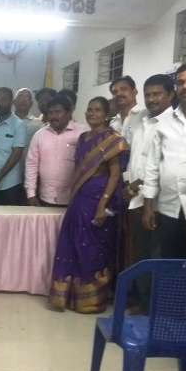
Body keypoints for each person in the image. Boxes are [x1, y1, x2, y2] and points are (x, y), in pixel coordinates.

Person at [48, 96, 129, 313]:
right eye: (89, 109)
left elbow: (115, 175)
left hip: (99, 199)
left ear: (107, 114)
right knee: (74, 244)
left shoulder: (113, 139)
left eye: (98, 110)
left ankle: (91, 299)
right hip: (80, 198)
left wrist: (103, 205)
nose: (92, 113)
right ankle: (71, 296)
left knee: (93, 250)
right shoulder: (83, 138)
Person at [142, 62, 186, 260]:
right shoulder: (165, 122)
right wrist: (148, 205)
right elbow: (153, 166)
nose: (185, 86)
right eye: (180, 82)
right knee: (171, 263)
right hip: (169, 209)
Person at [124, 74, 175, 313]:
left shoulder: (172, 123)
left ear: (170, 95)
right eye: (148, 95)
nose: (152, 99)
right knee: (141, 255)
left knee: (157, 256)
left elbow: (162, 165)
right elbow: (134, 158)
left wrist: (136, 185)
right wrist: (128, 184)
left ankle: (156, 308)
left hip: (157, 203)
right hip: (135, 199)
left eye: (157, 94)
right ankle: (144, 305)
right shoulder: (142, 122)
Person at [25, 95, 87, 207]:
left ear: (68, 113)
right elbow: (31, 165)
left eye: (58, 112)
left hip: (74, 198)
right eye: (51, 112)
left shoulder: (82, 133)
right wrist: (31, 194)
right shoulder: (40, 135)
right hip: (45, 197)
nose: (53, 116)